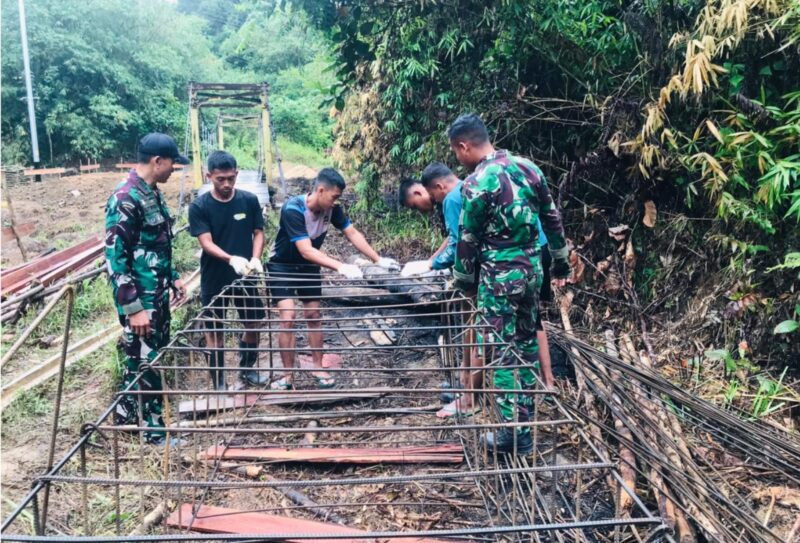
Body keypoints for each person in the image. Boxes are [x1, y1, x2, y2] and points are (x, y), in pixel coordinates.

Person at [449, 113, 571, 455]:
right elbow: (552, 216)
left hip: (499, 277)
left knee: (500, 352)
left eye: (456, 153)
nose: (458, 159)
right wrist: (559, 261)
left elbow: (468, 237)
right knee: (527, 345)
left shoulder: (477, 182)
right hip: (533, 270)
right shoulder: (528, 167)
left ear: (464, 145)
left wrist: (464, 282)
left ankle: (509, 434)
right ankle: (525, 425)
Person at [267, 168, 399, 390]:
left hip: (308, 266)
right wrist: (341, 267)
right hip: (282, 265)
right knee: (288, 317)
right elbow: (306, 250)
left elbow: (352, 233)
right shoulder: (293, 209)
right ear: (320, 190)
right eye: (334, 196)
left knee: (314, 315)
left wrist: (377, 260)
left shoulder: (332, 209)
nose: (336, 201)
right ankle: (288, 376)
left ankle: (318, 367)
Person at [105, 133, 188, 445]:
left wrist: (175, 277)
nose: (174, 170)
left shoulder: (151, 193)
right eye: (172, 164)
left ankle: (126, 416)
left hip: (157, 293)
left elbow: (157, 246)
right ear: (158, 161)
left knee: (143, 355)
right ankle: (154, 431)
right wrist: (134, 308)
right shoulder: (125, 198)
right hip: (140, 300)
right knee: (148, 359)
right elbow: (115, 259)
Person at [188, 150, 266, 391]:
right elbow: (206, 242)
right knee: (215, 330)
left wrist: (255, 258)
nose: (226, 184)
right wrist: (230, 258)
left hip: (245, 274)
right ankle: (219, 382)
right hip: (215, 275)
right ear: (208, 175)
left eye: (231, 178)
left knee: (253, 324)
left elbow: (258, 232)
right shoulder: (200, 206)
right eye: (220, 179)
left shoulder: (249, 200)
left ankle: (247, 370)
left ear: (237, 174)